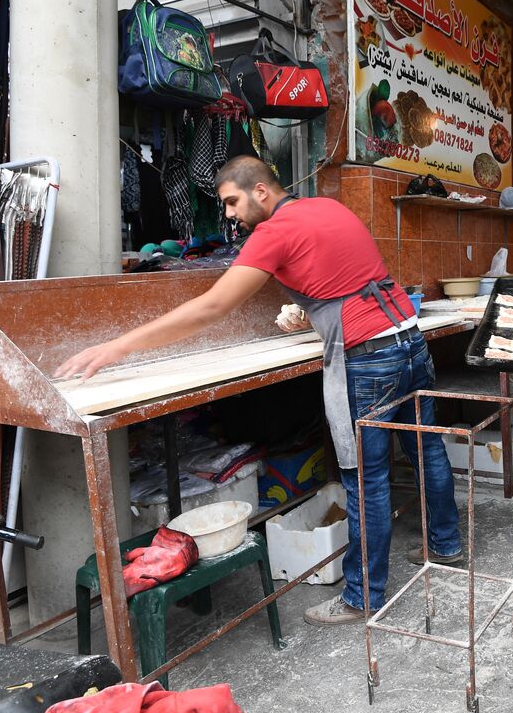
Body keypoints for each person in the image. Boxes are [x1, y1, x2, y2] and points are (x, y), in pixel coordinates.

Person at [55, 156, 462, 626]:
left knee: (365, 480)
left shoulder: (273, 232)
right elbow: (346, 277)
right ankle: (445, 544)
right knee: (426, 449)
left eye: (232, 201)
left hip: (368, 359)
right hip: (408, 340)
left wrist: (117, 347)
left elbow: (211, 307)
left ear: (261, 191)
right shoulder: (327, 208)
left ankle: (362, 596)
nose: (229, 213)